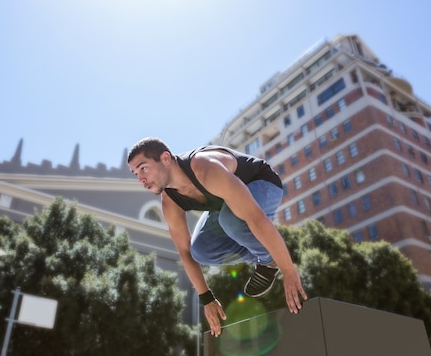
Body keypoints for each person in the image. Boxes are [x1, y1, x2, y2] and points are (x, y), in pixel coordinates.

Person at [127, 137, 307, 337]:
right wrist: (206, 298)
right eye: (136, 174)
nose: (141, 179)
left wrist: (288, 270)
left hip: (263, 185)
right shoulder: (170, 201)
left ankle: (272, 259)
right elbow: (185, 252)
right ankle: (267, 260)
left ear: (165, 158)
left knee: (231, 221)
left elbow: (255, 218)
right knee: (201, 250)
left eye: (143, 168)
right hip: (227, 207)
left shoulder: (205, 168)